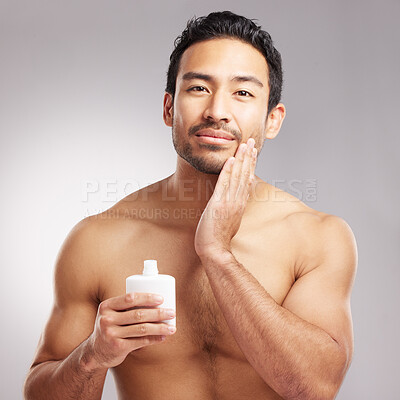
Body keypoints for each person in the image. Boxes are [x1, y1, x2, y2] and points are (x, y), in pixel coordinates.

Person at [24, 11, 357, 400]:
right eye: (198, 88)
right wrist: (93, 356)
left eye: (243, 92)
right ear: (169, 108)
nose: (217, 111)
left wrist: (217, 253)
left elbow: (316, 388)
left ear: (273, 120)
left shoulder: (318, 237)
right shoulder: (97, 239)